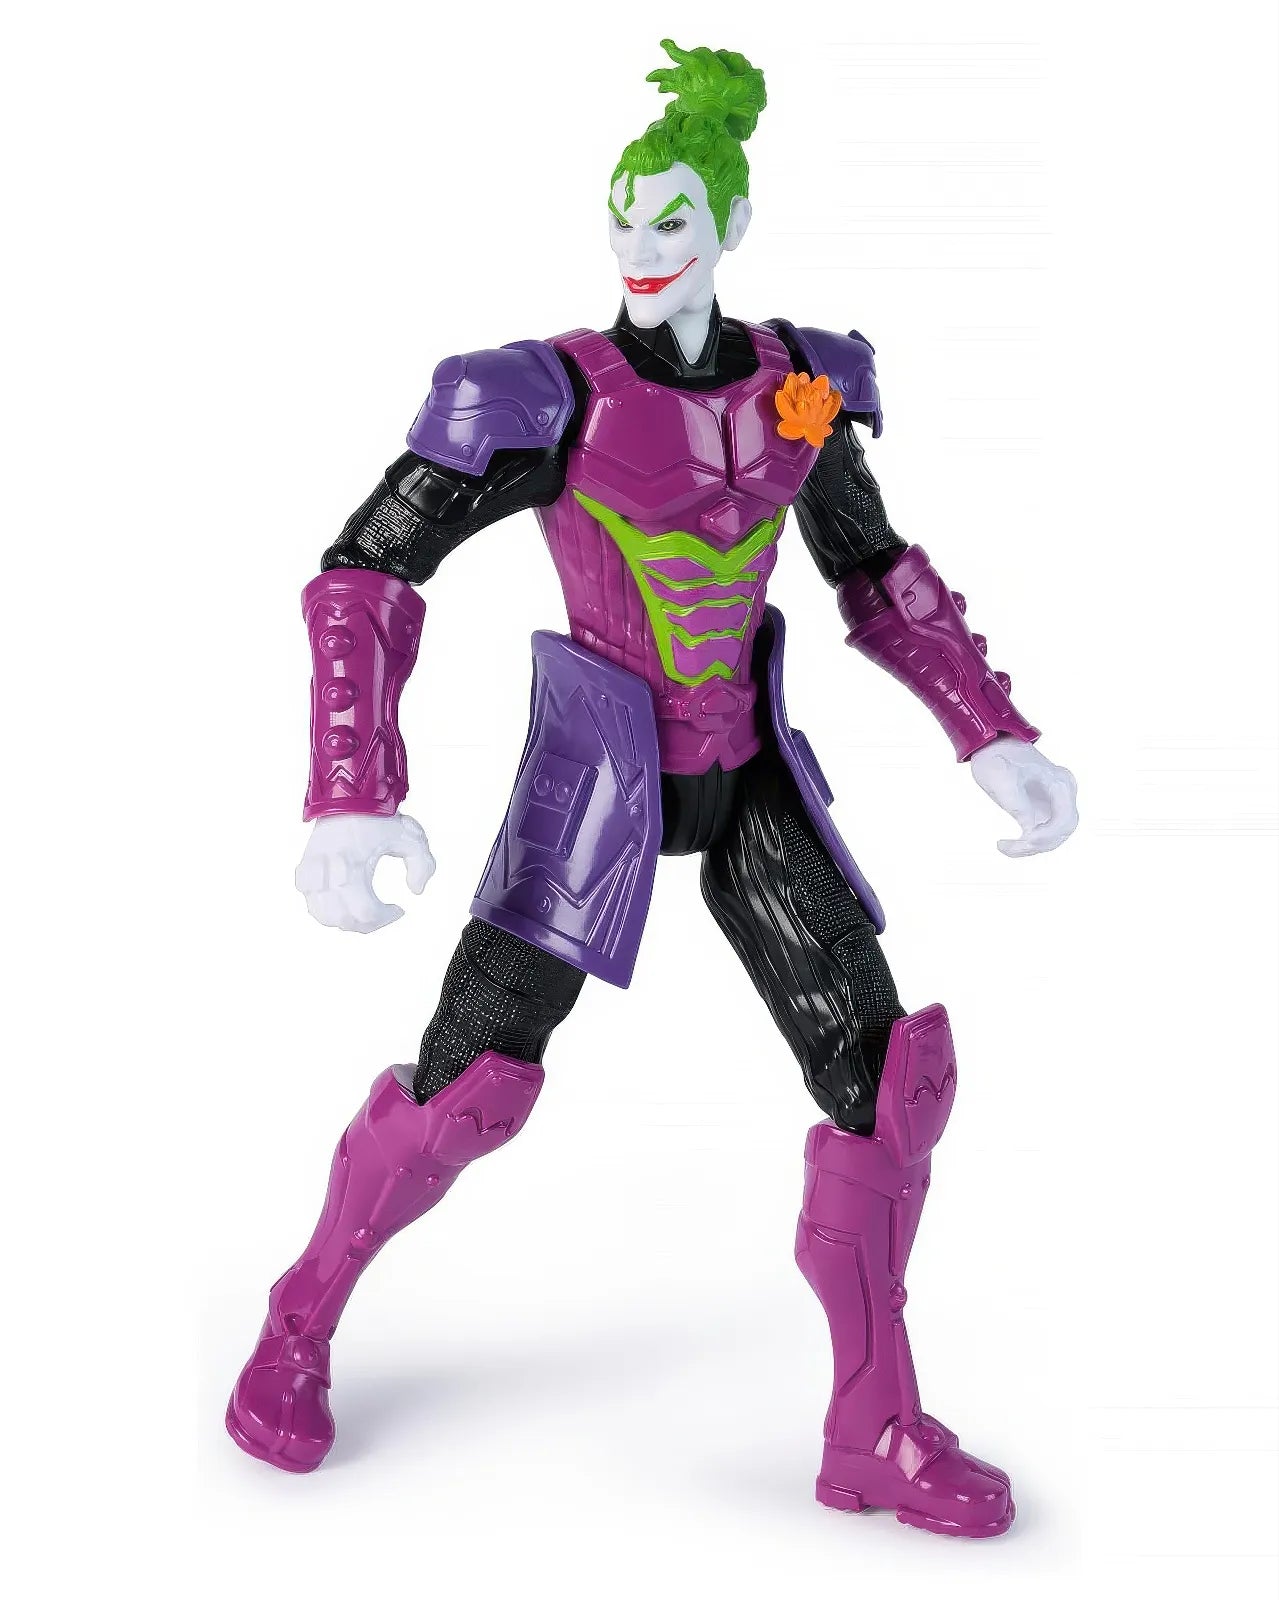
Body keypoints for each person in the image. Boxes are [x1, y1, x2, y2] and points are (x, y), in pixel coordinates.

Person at [226, 39, 1078, 1539]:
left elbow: (874, 566)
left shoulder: (803, 386)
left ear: (730, 224)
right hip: (599, 783)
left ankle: (873, 1426)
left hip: (748, 778)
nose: (639, 243)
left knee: (889, 1088)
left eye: (671, 216)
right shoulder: (546, 395)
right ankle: (300, 1318)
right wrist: (350, 786)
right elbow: (367, 571)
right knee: (471, 1086)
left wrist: (988, 730)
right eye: (620, 214)